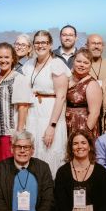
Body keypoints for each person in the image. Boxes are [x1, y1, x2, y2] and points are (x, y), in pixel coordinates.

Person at [21, 30, 71, 175]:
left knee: (50, 153)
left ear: (50, 45)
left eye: (44, 42)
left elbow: (61, 97)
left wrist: (52, 126)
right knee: (34, 152)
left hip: (50, 115)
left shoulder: (56, 64)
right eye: (37, 42)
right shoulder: (29, 64)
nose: (40, 45)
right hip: (33, 114)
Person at [0, 42, 31, 167]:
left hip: (9, 133)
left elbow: (23, 107)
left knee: (9, 167)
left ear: (13, 59)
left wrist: (19, 133)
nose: (3, 60)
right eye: (0, 57)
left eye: (6, 57)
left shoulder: (19, 78)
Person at [64, 48, 102, 141]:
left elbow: (94, 113)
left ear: (90, 65)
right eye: (79, 61)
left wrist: (85, 134)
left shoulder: (92, 84)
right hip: (66, 125)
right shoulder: (67, 78)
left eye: (86, 63)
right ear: (73, 61)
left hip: (82, 126)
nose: (81, 65)